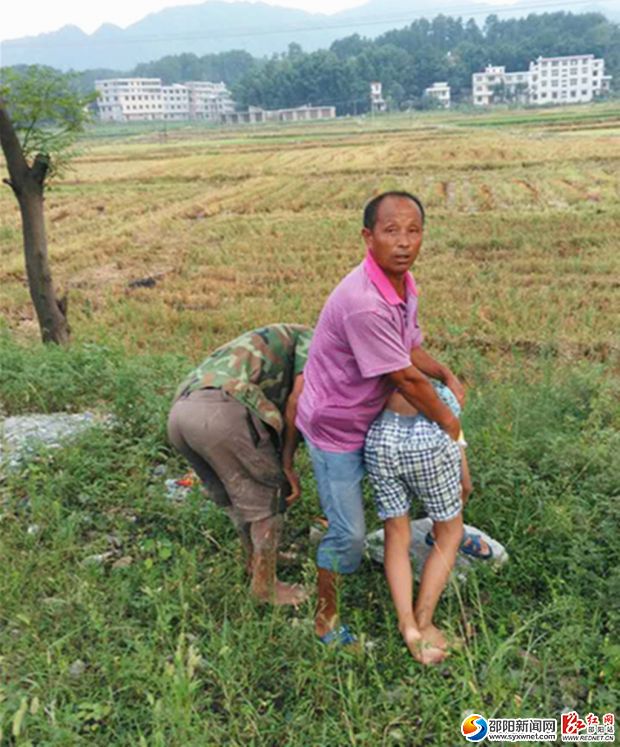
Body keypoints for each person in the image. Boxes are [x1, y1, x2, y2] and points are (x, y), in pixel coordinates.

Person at [295, 190, 476, 659]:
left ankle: (402, 611)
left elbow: (409, 349)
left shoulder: (403, 284)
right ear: (367, 236)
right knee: (350, 534)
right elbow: (404, 378)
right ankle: (324, 620)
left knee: (388, 521)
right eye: (391, 231)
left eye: (413, 230)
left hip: (369, 417)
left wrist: (445, 372)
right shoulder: (364, 302)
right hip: (336, 425)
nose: (404, 242)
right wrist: (453, 430)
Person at [167, 323, 311, 606]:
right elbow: (299, 398)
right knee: (267, 501)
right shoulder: (315, 339)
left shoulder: (273, 338)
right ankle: (265, 587)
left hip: (182, 413)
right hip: (223, 411)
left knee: (239, 499)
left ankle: (255, 561)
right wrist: (288, 462)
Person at [365, 379, 488, 664]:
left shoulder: (378, 379)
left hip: (380, 442)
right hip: (427, 447)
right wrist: (465, 481)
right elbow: (452, 430)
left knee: (396, 533)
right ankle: (424, 622)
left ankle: (406, 626)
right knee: (450, 532)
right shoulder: (438, 386)